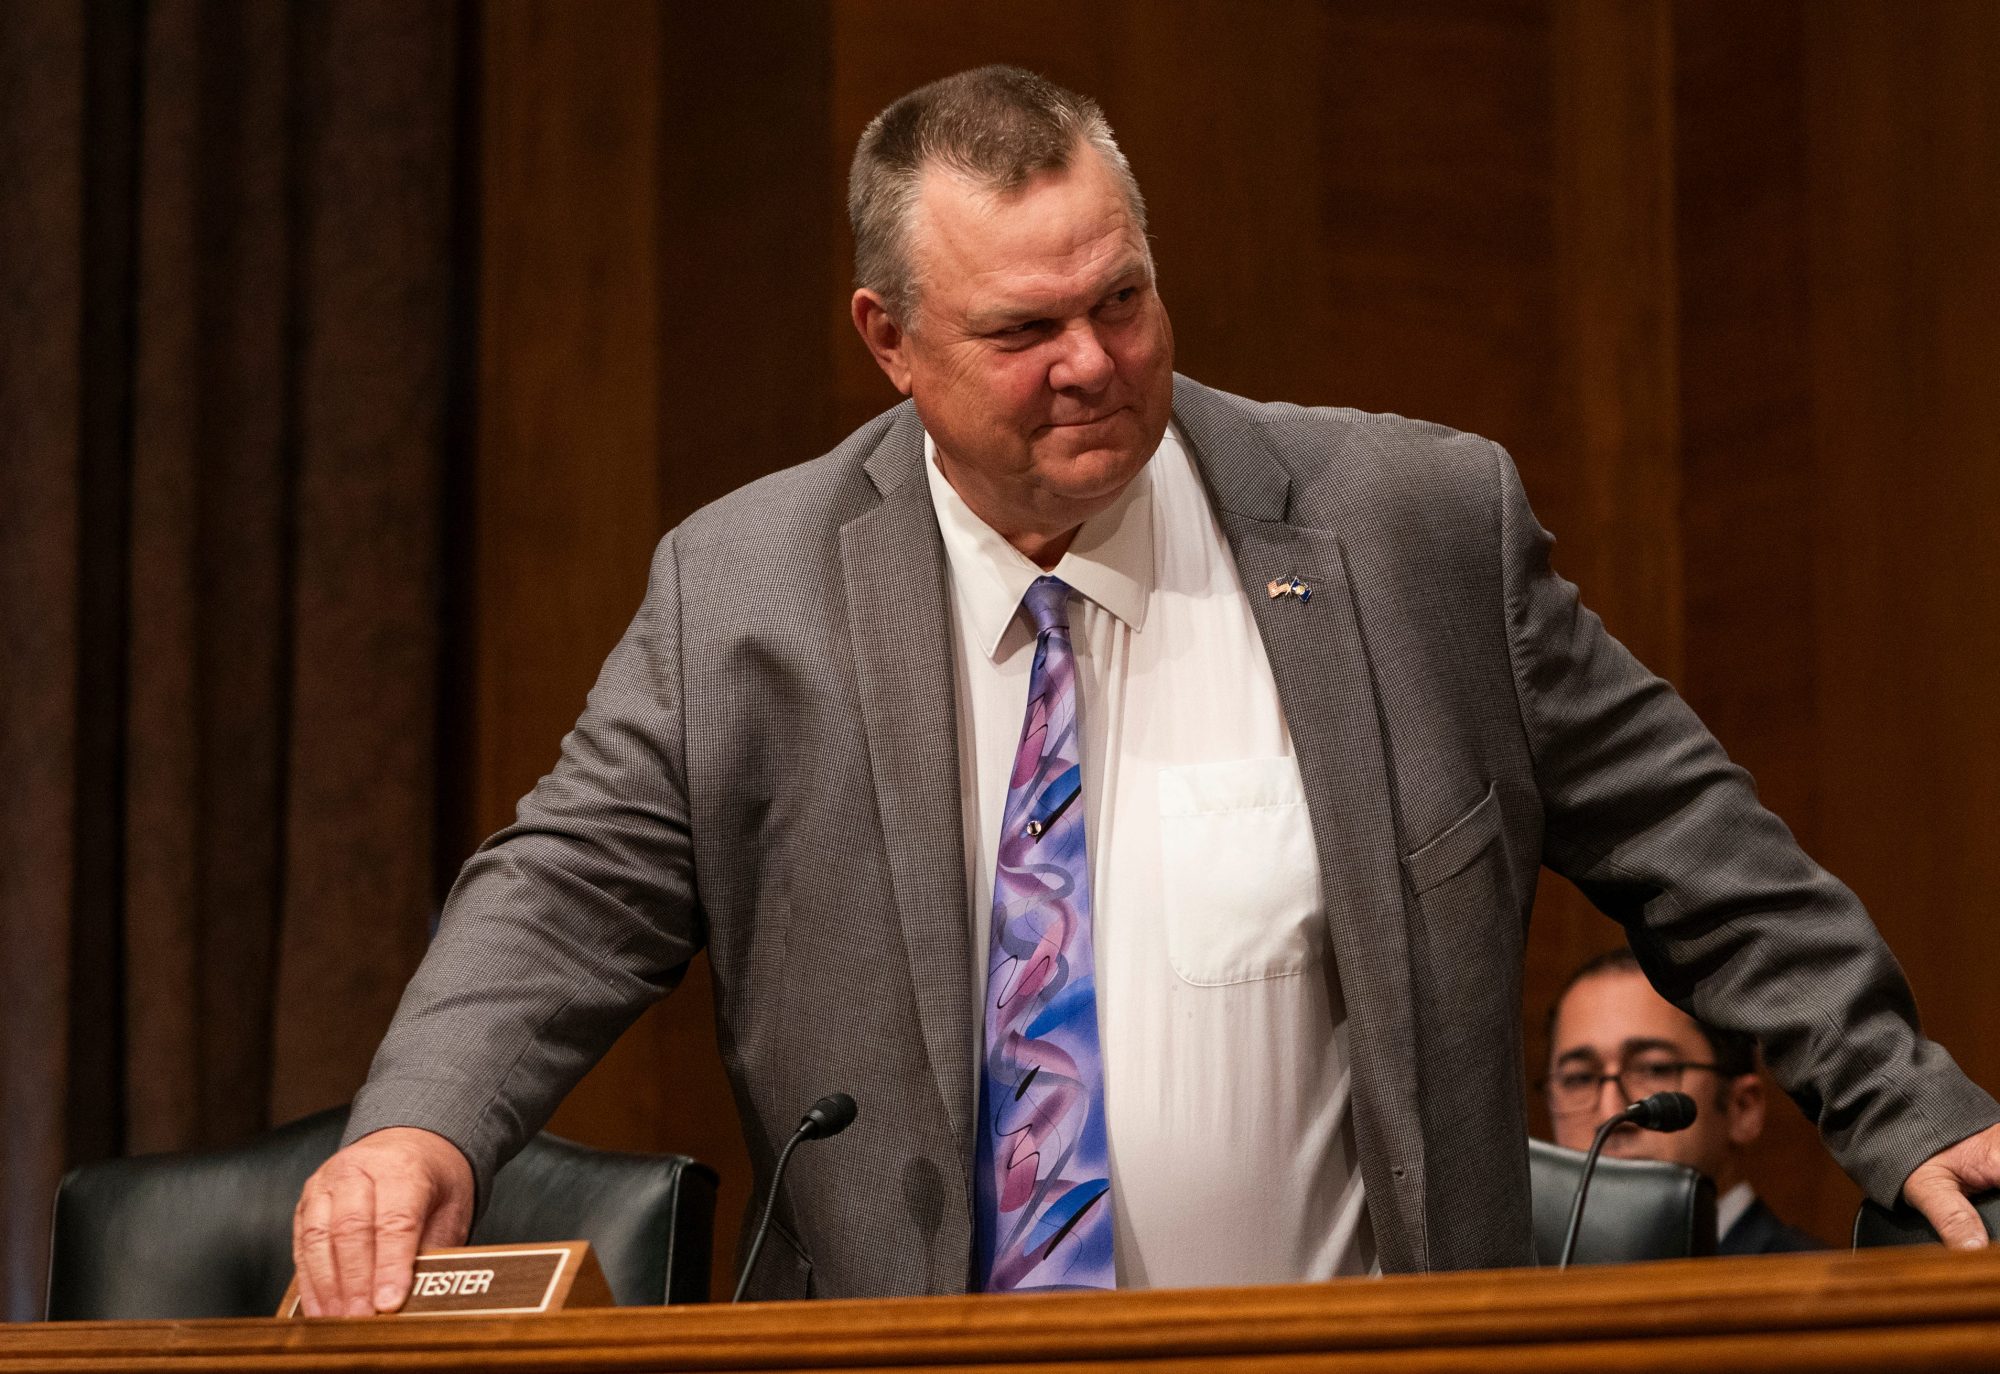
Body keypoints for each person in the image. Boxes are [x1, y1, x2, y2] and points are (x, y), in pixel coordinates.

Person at [291, 66, 2000, 1316]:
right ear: (890, 339)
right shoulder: (747, 592)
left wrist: (1907, 1104)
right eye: (1027, 329)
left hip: (1358, 1366)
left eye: (1123, 297)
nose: (1096, 363)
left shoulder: (1410, 531)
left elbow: (1696, 841)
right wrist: (420, 1122)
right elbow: (564, 884)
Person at [1544, 947, 1825, 1255]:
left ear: (1742, 1108)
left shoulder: (1814, 1291)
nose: (1611, 1115)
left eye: (1654, 1069)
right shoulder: (1526, 1288)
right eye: (1579, 1078)